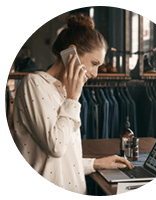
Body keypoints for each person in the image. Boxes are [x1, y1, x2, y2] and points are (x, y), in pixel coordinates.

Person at [13, 13, 134, 195]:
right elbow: (56, 147)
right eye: (94, 63)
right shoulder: (35, 84)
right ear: (72, 53)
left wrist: (95, 163)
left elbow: (62, 162)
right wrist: (73, 98)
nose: (95, 74)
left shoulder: (66, 91)